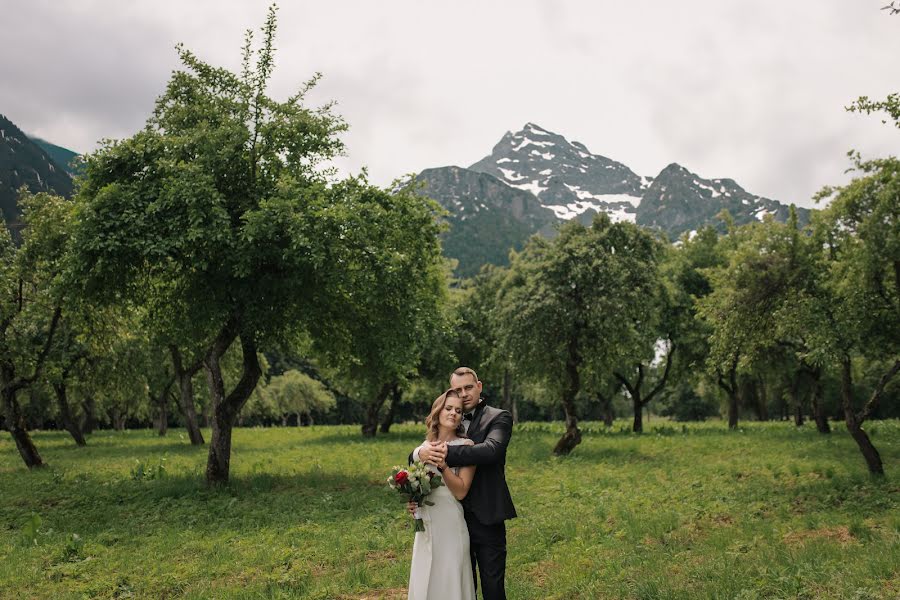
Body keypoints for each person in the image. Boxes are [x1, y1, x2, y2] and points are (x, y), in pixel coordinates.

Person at [411, 367, 516, 600]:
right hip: (450, 519)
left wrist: (442, 454)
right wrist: (418, 454)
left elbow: (492, 451)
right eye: (458, 389)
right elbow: (419, 456)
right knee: (457, 584)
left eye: (468, 387)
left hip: (486, 514)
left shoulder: (498, 416)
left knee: (492, 586)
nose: (464, 393)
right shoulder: (447, 422)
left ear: (479, 386)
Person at [408, 389, 476, 600]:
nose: (453, 413)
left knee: (450, 576)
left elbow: (461, 492)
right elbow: (416, 484)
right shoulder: (423, 448)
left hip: (450, 520)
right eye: (448, 408)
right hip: (426, 520)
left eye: (458, 410)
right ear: (438, 411)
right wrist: (411, 502)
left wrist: (444, 467)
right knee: (426, 573)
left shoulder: (467, 446)